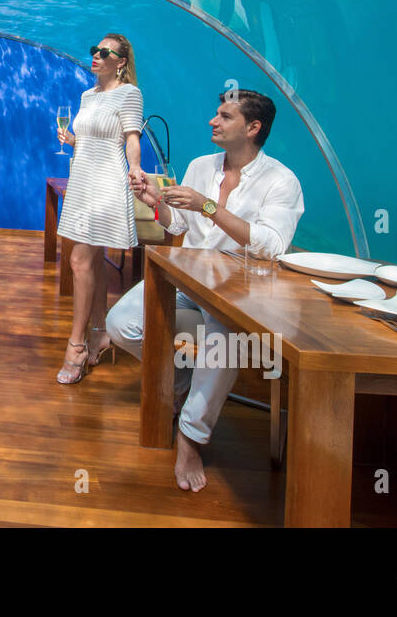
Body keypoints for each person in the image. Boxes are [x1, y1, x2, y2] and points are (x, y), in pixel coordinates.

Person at [98, 90, 304, 490]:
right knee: (121, 323)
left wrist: (208, 206)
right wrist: (155, 203)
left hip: (239, 292)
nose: (213, 121)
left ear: (253, 127)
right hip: (189, 281)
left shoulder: (281, 181)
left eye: (224, 116)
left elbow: (270, 245)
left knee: (224, 343)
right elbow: (177, 226)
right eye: (215, 114)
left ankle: (190, 437)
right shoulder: (199, 166)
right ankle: (180, 385)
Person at [53, 34, 146, 384]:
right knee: (90, 260)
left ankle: (76, 345)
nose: (96, 55)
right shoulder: (86, 96)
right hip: (80, 180)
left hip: (107, 183)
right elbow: (91, 138)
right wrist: (73, 140)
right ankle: (99, 332)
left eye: (105, 52)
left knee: (78, 259)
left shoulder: (130, 94)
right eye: (94, 50)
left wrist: (135, 169)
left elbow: (130, 138)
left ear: (121, 62)